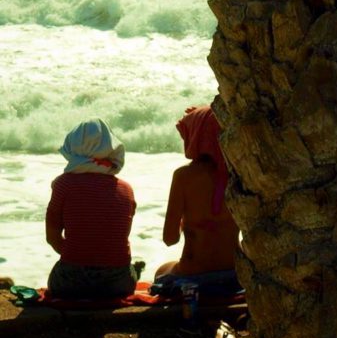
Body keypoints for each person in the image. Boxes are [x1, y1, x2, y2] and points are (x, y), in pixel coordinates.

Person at [45, 119, 137, 299]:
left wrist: (78, 257)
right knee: (130, 270)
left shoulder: (63, 184)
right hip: (118, 284)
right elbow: (117, 239)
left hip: (70, 283)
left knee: (59, 275)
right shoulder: (126, 189)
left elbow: (52, 238)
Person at [155, 103, 240, 282]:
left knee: (161, 271)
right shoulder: (241, 174)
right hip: (234, 272)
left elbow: (170, 239)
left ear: (196, 137)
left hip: (193, 272)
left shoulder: (183, 176)